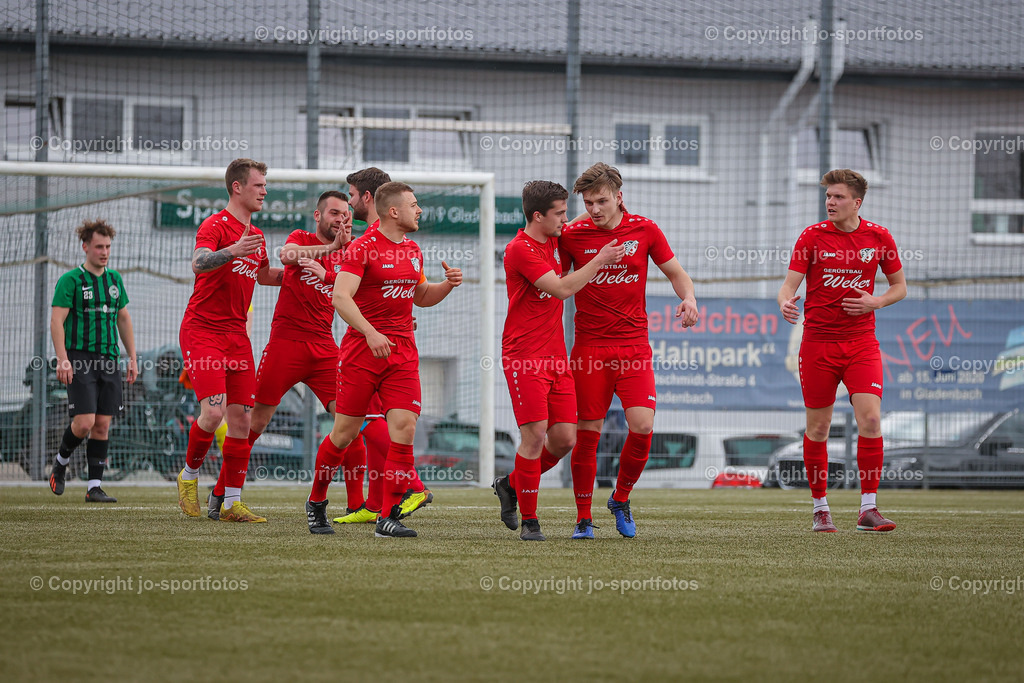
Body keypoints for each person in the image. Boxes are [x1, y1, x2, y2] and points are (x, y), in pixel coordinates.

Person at [306, 181, 461, 537]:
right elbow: (341, 297)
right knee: (343, 434)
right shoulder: (361, 248)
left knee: (405, 429)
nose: (419, 210)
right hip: (361, 354)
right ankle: (316, 502)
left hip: (402, 354)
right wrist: (370, 332)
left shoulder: (414, 250)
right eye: (414, 205)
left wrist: (447, 285)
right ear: (394, 211)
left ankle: (387, 516)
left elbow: (420, 295)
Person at [557, 162, 699, 538]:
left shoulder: (645, 229)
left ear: (619, 197)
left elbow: (676, 273)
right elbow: (558, 285)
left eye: (601, 201)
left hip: (634, 347)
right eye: (588, 203)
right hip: (589, 349)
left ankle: (620, 498)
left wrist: (689, 298)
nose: (594, 209)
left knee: (644, 425)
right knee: (588, 433)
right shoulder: (571, 235)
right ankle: (583, 517)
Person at [491, 180, 624, 541]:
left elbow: (585, 218)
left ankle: (510, 484)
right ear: (538, 216)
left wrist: (607, 205)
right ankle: (531, 520)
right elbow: (563, 289)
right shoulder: (520, 249)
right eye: (560, 213)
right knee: (534, 436)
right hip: (524, 357)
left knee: (565, 438)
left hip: (555, 358)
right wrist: (600, 259)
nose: (567, 219)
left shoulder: (554, 237)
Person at [778, 168, 906, 533]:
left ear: (857, 203)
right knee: (818, 428)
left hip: (862, 344)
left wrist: (876, 301)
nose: (829, 202)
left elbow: (900, 287)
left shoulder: (878, 236)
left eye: (837, 197)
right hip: (817, 344)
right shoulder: (812, 236)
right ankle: (820, 508)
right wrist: (786, 303)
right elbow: (788, 287)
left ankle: (868, 508)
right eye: (828, 196)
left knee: (871, 421)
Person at [175, 158, 282, 523]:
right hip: (202, 330)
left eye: (265, 185)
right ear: (237, 187)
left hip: (237, 336)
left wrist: (322, 266)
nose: (264, 191)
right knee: (214, 412)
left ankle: (232, 502)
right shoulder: (215, 225)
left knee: (242, 421)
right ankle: (188, 477)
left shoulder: (259, 235)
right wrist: (233, 250)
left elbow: (267, 275)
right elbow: (199, 263)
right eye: (258, 185)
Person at [49, 220, 138, 502]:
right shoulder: (71, 281)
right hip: (80, 359)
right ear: (85, 247)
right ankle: (61, 463)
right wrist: (62, 359)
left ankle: (94, 487)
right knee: (84, 422)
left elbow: (123, 318)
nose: (104, 252)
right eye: (99, 246)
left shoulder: (114, 280)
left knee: (102, 425)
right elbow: (56, 320)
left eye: (108, 246)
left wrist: (132, 358)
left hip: (109, 359)